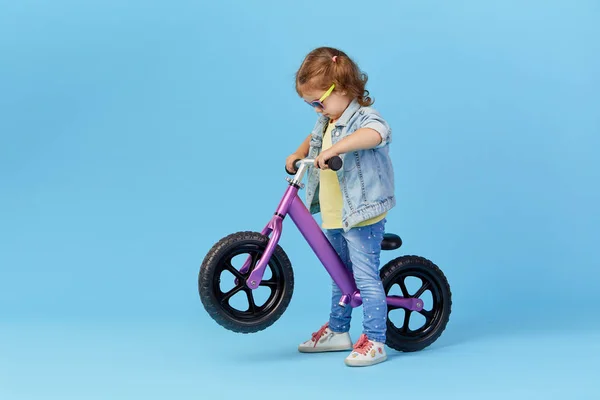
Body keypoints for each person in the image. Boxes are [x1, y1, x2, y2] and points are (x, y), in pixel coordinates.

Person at [286, 47, 396, 367]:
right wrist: (296, 155)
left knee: (364, 278)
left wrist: (340, 147)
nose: (317, 109)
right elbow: (313, 139)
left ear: (344, 89)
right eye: (311, 104)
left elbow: (377, 133)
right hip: (336, 215)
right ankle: (338, 330)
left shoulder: (362, 117)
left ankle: (375, 339)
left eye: (319, 101)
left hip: (361, 214)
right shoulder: (327, 121)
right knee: (339, 276)